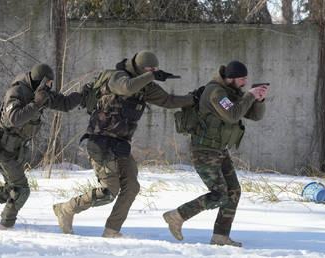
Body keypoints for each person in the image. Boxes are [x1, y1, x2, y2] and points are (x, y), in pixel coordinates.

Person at [53, 51, 196, 238]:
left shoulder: (146, 86)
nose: (153, 72)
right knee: (108, 191)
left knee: (131, 187)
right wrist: (151, 76)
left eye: (155, 69)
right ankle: (67, 209)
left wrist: (194, 98)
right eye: (149, 69)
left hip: (120, 146)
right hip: (101, 142)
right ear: (138, 67)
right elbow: (126, 88)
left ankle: (112, 230)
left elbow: (168, 101)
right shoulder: (117, 76)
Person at [0, 63, 83, 229]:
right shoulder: (16, 93)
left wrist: (84, 94)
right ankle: (6, 226)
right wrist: (36, 104)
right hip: (2, 148)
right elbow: (14, 118)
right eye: (48, 83)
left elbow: (65, 104)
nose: (51, 87)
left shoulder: (40, 94)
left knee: (12, 190)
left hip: (14, 150)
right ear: (40, 81)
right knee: (21, 190)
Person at [163, 61, 268, 247]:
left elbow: (254, 115)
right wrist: (249, 95)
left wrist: (258, 100)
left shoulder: (231, 92)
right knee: (220, 194)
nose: (244, 83)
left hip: (219, 150)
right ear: (230, 78)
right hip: (204, 150)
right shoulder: (215, 92)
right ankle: (177, 215)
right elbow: (232, 115)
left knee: (233, 192)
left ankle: (220, 236)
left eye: (246, 79)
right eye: (242, 79)